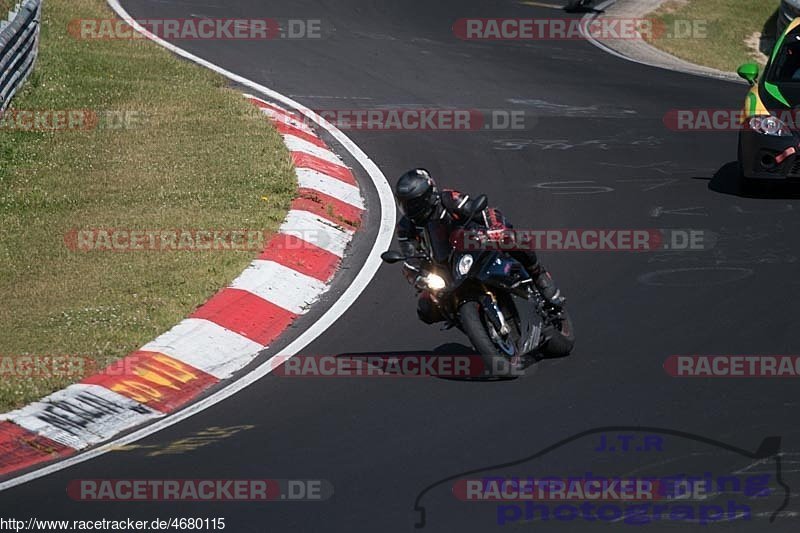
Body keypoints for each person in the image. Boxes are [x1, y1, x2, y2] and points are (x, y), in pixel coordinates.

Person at [394, 168, 565, 325]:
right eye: (405, 204)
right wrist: (416, 276)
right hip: (443, 266)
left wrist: (495, 228)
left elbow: (481, 211)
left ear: (427, 196)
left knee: (510, 238)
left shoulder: (448, 198)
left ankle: (539, 274)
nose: (409, 209)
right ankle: (470, 323)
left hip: (473, 243)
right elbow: (410, 258)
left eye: (413, 204)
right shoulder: (405, 227)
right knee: (425, 308)